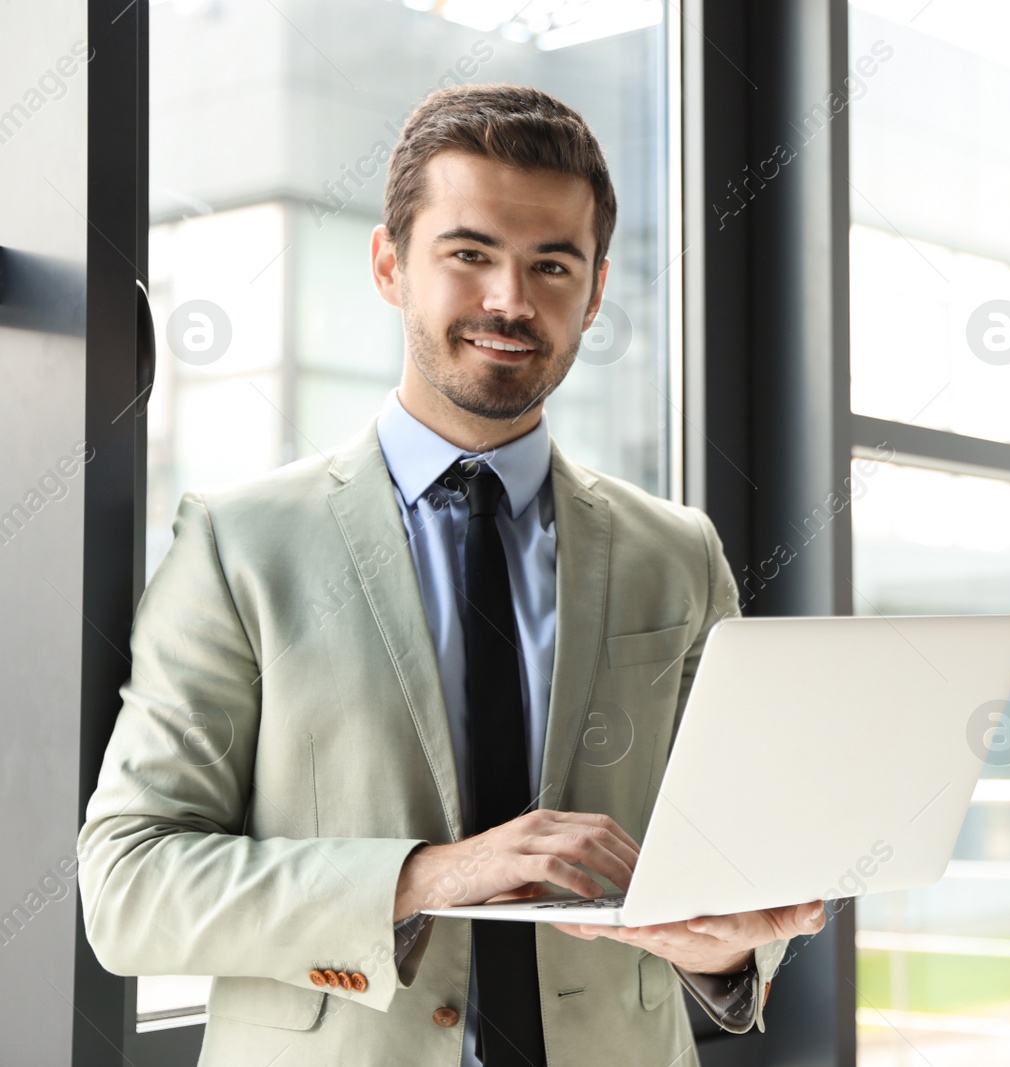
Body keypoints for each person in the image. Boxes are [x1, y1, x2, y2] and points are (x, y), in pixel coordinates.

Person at [77, 82, 825, 1067]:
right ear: (390, 264)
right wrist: (429, 875)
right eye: (469, 254)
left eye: (552, 264)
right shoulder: (236, 541)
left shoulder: (676, 550)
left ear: (595, 291)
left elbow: (734, 856)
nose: (510, 300)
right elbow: (131, 885)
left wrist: (732, 945)